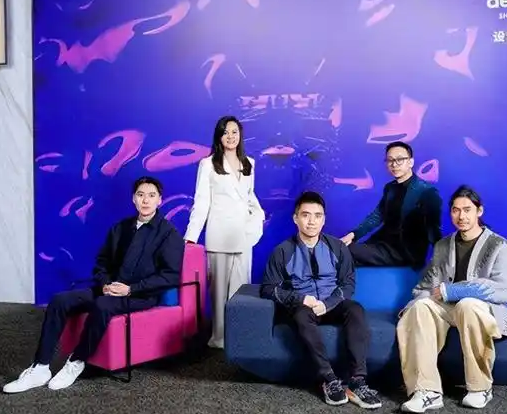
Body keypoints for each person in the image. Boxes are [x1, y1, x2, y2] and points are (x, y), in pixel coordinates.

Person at [3, 176, 185, 393]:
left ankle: (76, 362)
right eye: (141, 195)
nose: (146, 200)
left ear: (160, 200)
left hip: (139, 295)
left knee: (102, 305)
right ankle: (40, 367)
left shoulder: (169, 234)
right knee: (60, 300)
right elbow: (102, 262)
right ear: (133, 199)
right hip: (108, 288)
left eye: (151, 195)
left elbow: (170, 276)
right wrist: (105, 284)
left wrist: (131, 289)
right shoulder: (120, 228)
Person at [396, 185, 507, 412]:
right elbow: (427, 286)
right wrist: (416, 305)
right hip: (450, 309)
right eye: (456, 210)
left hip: (490, 310)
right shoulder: (443, 245)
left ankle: (480, 388)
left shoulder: (500, 245)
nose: (461, 216)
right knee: (421, 306)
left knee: (468, 304)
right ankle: (427, 391)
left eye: (467, 210)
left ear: (479, 211)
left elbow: (502, 290)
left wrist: (452, 291)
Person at [261, 191, 382, 409]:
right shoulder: (282, 251)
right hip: (303, 307)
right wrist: (301, 299)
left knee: (355, 309)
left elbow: (348, 284)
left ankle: (357, 381)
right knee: (300, 315)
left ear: (324, 219)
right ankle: (329, 379)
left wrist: (328, 304)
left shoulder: (337, 247)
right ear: (295, 218)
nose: (311, 221)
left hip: (331, 303)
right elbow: (268, 289)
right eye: (305, 215)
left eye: (317, 216)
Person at [184, 115, 265, 349]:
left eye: (234, 132)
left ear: (240, 135)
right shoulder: (208, 164)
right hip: (219, 235)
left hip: (243, 235)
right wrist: (191, 237)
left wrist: (258, 215)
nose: (230, 136)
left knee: (241, 288)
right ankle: (218, 338)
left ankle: (238, 335)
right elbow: (201, 203)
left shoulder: (249, 163)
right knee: (218, 292)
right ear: (219, 136)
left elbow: (249, 196)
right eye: (225, 132)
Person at [340, 141, 442, 269]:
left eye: (400, 159)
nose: (394, 164)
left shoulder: (426, 192)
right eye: (390, 160)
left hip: (404, 251)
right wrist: (354, 234)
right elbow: (377, 216)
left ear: (410, 162)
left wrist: (440, 260)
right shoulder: (390, 188)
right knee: (341, 250)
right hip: (383, 243)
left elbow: (433, 229)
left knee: (347, 252)